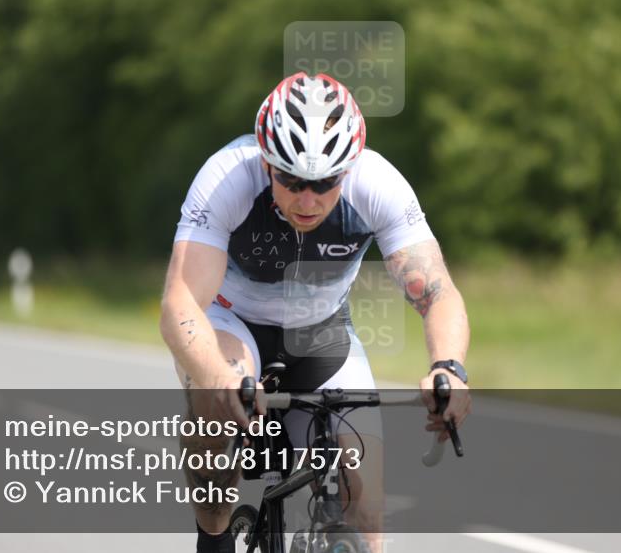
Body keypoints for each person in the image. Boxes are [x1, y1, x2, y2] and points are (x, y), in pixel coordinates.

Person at [160, 71, 472, 553]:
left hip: (322, 331)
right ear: (267, 163)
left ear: (348, 169)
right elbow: (181, 302)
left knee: (365, 510)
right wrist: (219, 379)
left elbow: (438, 293)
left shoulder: (377, 184)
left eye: (325, 183)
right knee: (214, 413)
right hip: (230, 321)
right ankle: (214, 538)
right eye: (290, 180)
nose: (308, 199)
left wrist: (447, 367)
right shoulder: (228, 177)